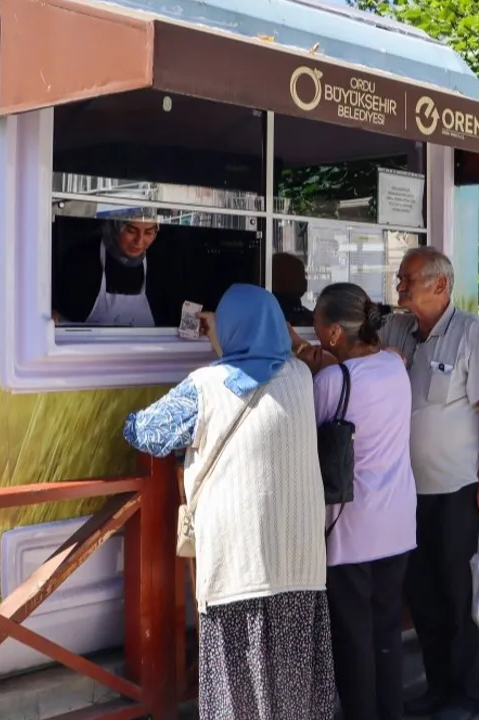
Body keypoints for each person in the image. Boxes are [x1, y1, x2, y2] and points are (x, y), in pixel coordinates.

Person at [122, 283, 333, 720]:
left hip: (240, 569)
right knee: (295, 695)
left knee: (239, 696)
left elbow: (145, 432)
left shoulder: (206, 386)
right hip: (300, 565)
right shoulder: (299, 377)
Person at [381, 247, 479, 720]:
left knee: (458, 596)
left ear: (440, 284)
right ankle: (438, 688)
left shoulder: (473, 332)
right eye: (399, 278)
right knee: (423, 595)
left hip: (456, 491)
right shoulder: (397, 329)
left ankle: (467, 694)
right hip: (406, 491)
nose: (400, 287)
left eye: (408, 279)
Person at [292, 283, 416, 720]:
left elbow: (305, 432)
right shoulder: (395, 366)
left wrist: (305, 360)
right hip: (397, 520)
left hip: (351, 526)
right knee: (385, 631)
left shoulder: (330, 381)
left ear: (331, 334)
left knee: (352, 638)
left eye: (316, 325)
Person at [52, 214, 176, 326]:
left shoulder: (161, 267)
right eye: (131, 231)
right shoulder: (82, 259)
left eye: (148, 232)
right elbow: (61, 314)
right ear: (116, 227)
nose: (139, 242)